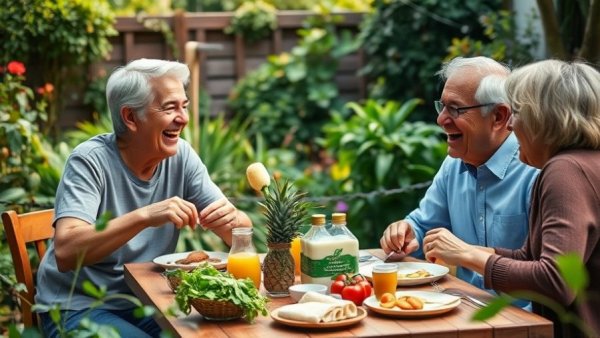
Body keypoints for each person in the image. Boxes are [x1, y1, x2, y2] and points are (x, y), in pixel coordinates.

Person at [35, 58, 252, 337]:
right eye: (170, 107)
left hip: (150, 303)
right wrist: (145, 215)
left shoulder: (181, 156)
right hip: (79, 306)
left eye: (184, 106)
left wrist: (233, 220)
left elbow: (240, 231)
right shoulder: (90, 161)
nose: (184, 118)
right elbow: (66, 252)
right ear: (130, 117)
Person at [422, 59, 600, 337]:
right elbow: (530, 258)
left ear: (546, 118)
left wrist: (467, 254)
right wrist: (469, 253)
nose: (512, 124)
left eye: (518, 112)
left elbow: (556, 280)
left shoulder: (565, 170)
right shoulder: (580, 163)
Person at [380, 56, 539, 295]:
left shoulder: (535, 169)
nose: (441, 119)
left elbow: (549, 274)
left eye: (455, 109)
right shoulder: (454, 165)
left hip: (524, 321)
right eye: (441, 106)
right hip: (464, 309)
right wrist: (406, 233)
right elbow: (424, 225)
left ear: (498, 117)